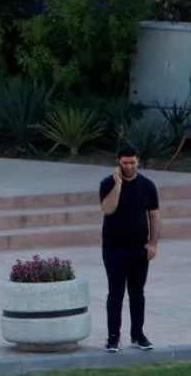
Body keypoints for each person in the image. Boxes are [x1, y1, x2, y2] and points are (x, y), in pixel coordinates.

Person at [100, 143, 159, 352]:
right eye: (125, 163)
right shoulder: (107, 183)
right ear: (118, 162)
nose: (129, 167)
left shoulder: (148, 185)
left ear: (138, 161)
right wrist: (118, 184)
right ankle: (113, 337)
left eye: (132, 162)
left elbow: (154, 215)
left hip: (138, 249)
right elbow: (108, 209)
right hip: (114, 249)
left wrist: (152, 243)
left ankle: (138, 334)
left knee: (137, 293)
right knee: (115, 293)